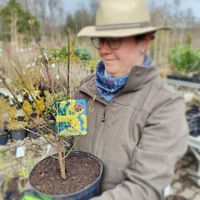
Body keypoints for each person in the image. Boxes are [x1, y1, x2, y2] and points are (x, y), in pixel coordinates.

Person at [75, 0, 189, 199]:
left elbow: (144, 188)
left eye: (114, 40)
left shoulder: (165, 105)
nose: (103, 49)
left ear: (144, 41)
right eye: (100, 39)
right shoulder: (84, 89)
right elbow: (66, 145)